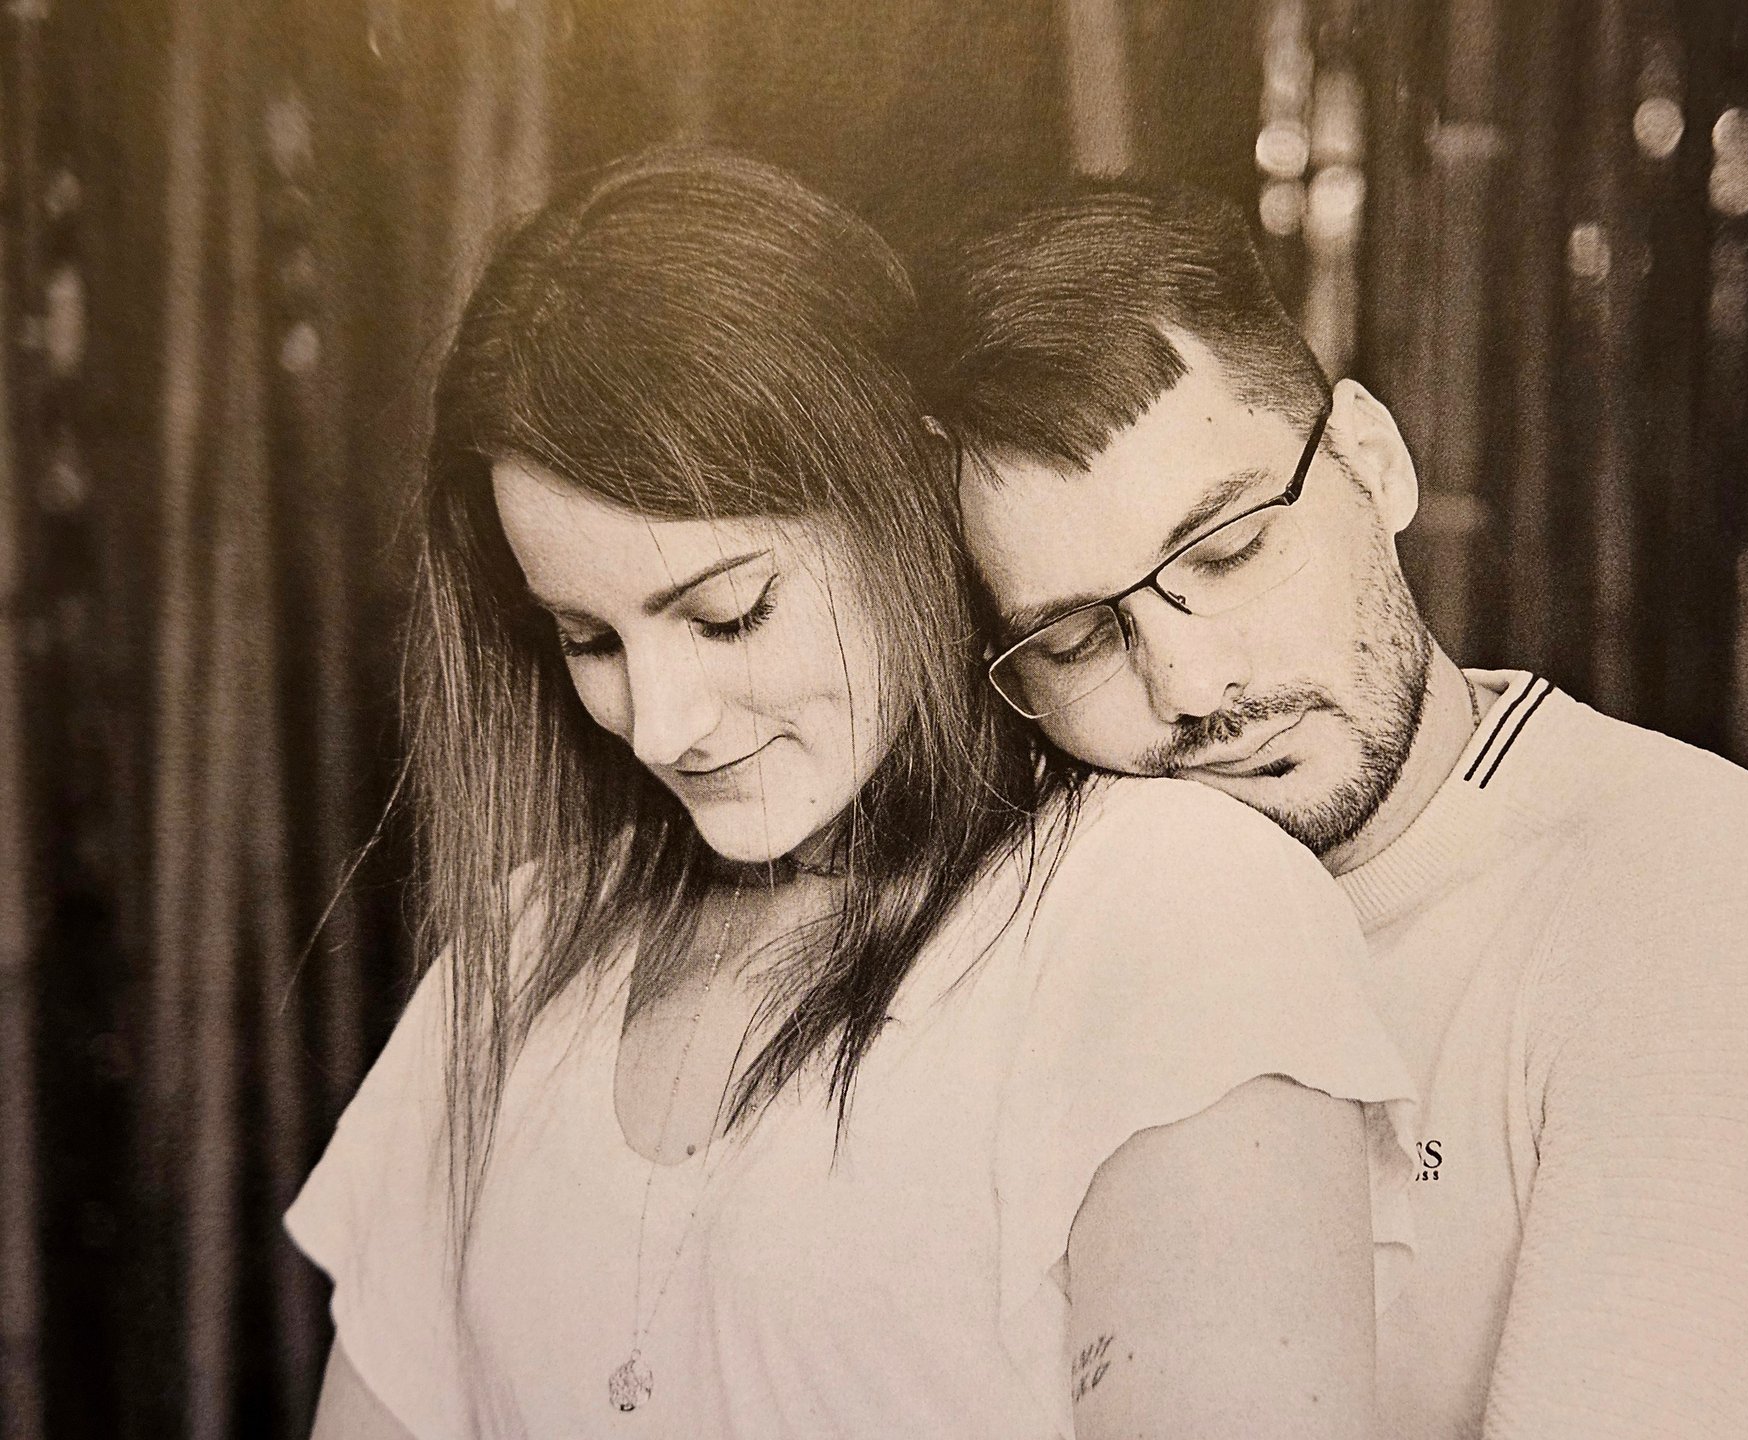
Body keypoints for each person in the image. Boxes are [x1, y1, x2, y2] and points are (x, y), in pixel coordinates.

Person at [289, 149, 1419, 1440]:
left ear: (903, 504)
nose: (663, 724)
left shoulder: (1169, 909)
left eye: (729, 612)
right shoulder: (531, 946)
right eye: (587, 640)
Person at [921, 180, 1748, 1440]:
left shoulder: (1697, 902)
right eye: (1074, 640)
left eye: (1226, 552)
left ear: (1373, 464)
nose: (1191, 685)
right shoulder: (1055, 935)